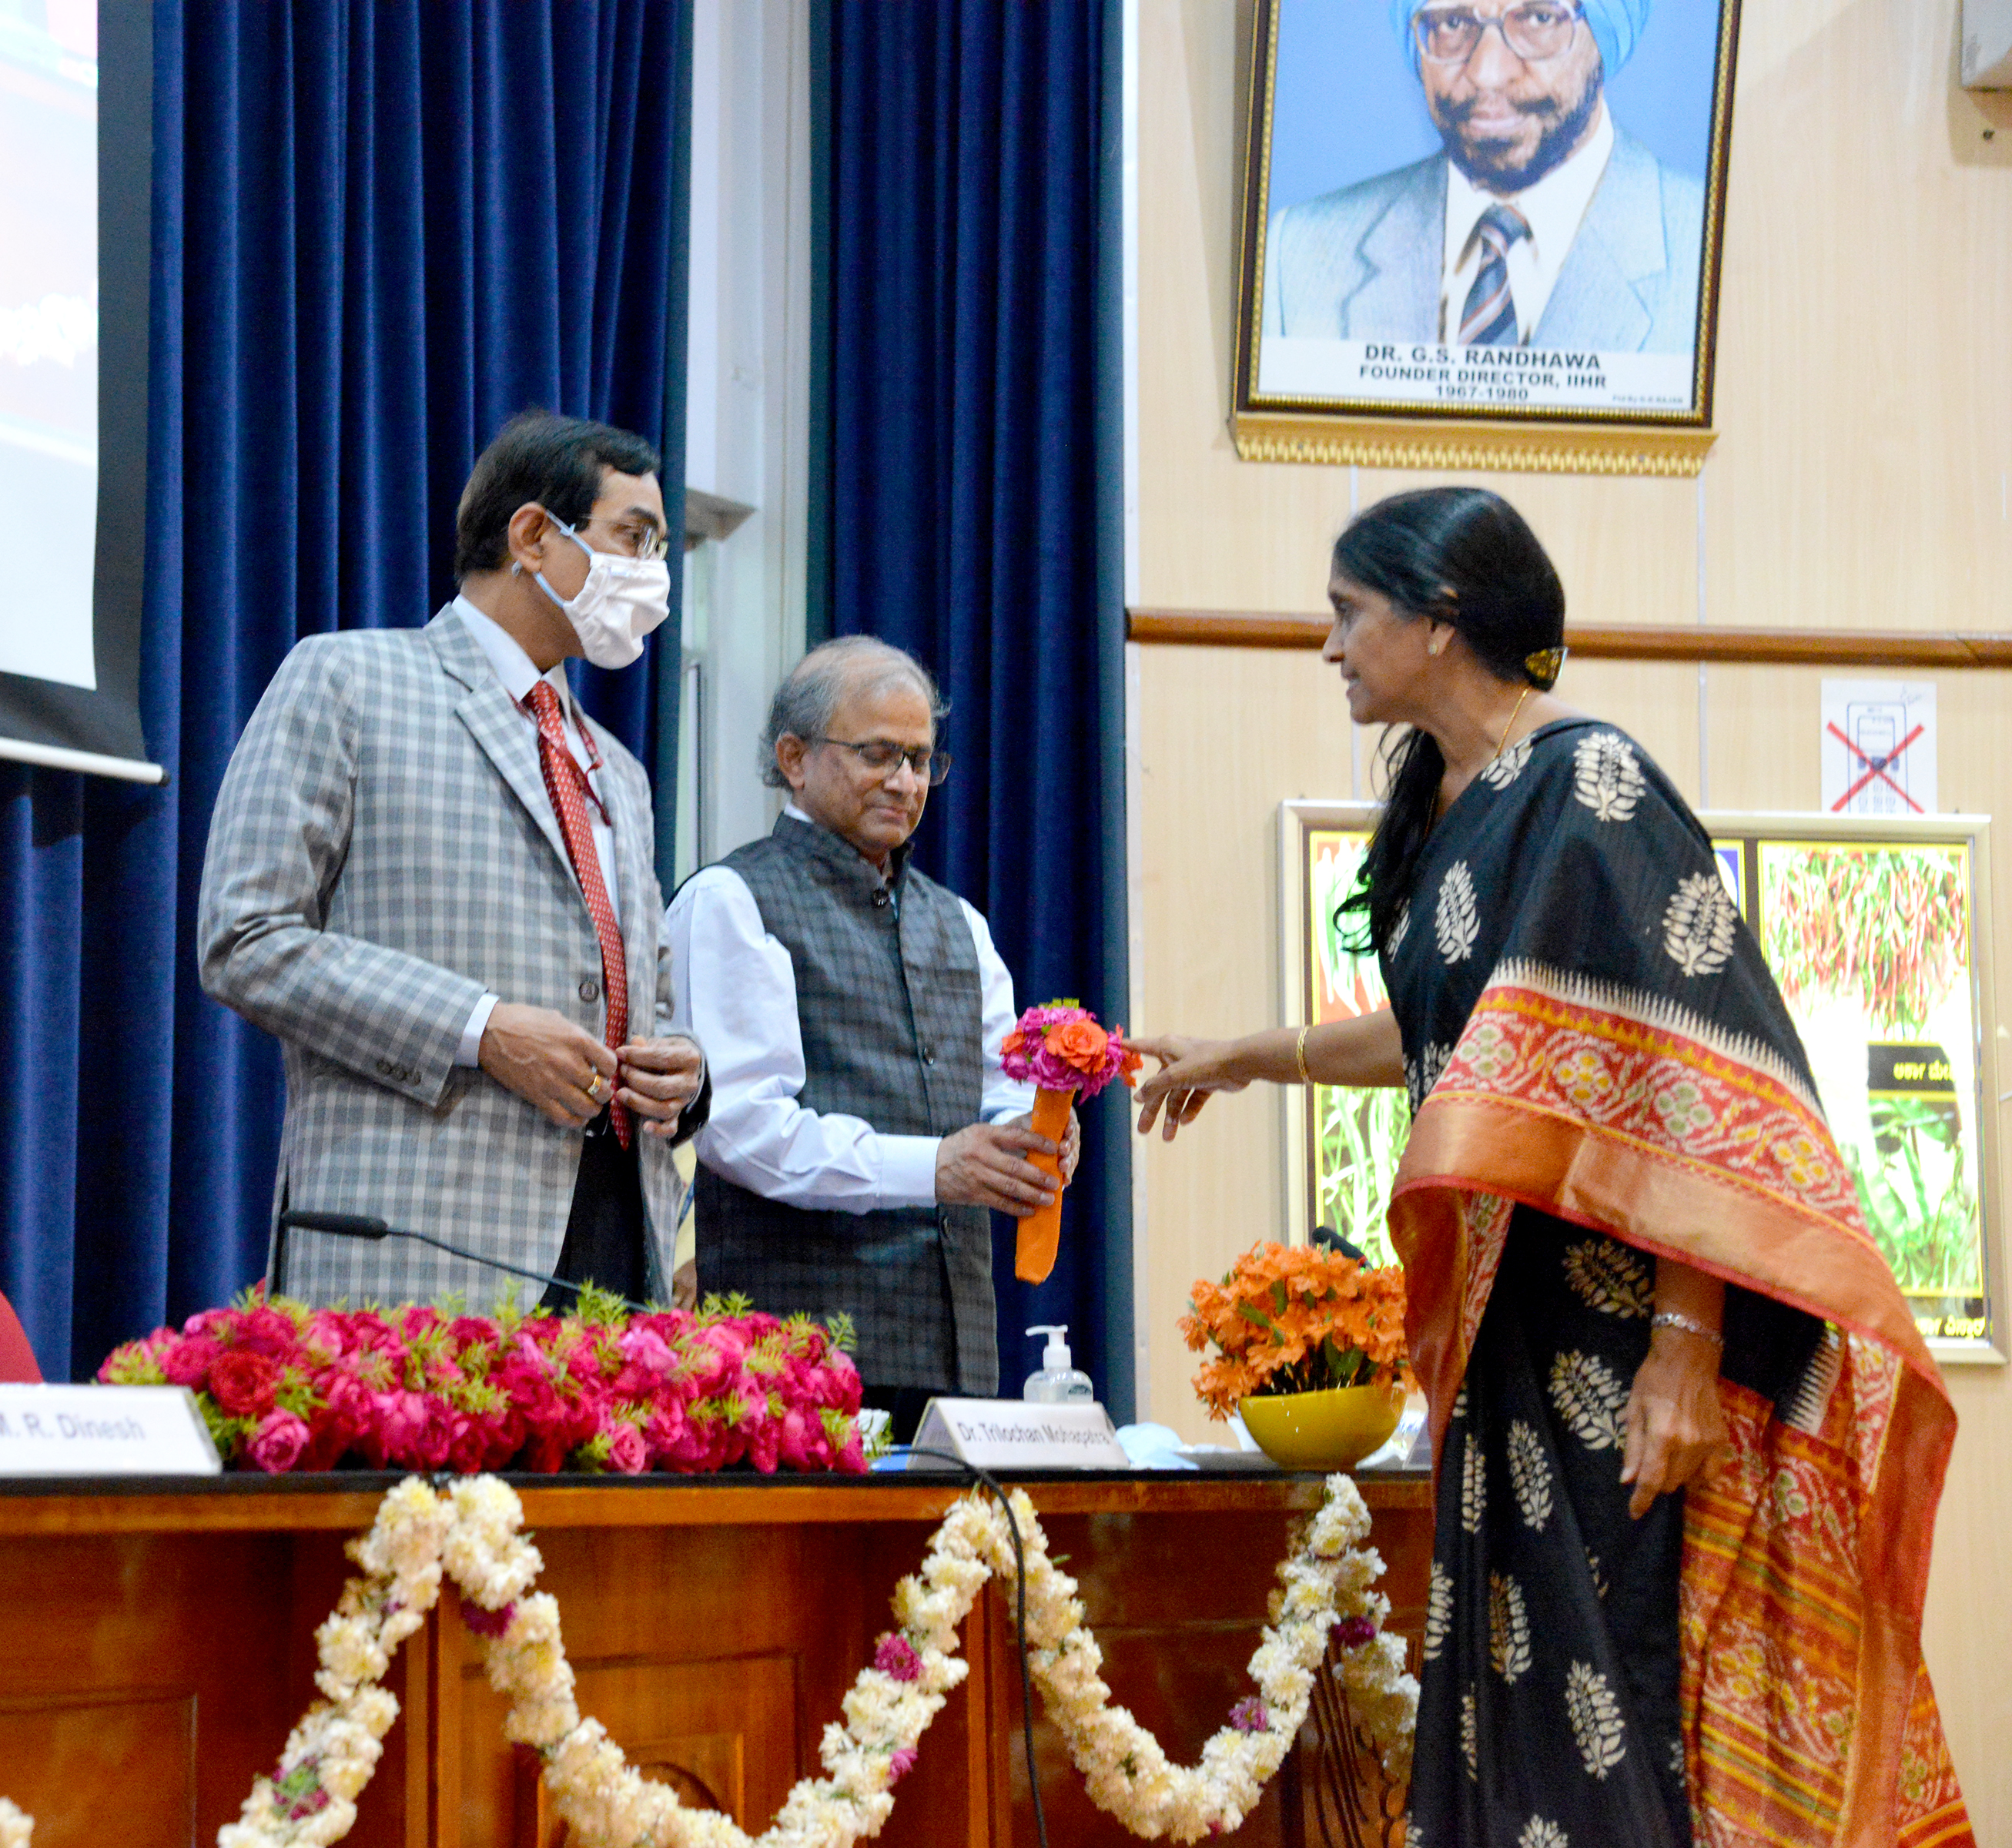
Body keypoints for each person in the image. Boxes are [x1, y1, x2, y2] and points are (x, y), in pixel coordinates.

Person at [1124, 488, 1969, 1844]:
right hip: (1512, 1328)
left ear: (1439, 620)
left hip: (1622, 1336)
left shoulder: (1593, 785)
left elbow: (1698, 1073)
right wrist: (1247, 1056)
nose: (1328, 646)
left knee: (1621, 1694)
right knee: (1513, 1716)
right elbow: (1454, 1038)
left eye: (1347, 613)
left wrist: (1685, 1350)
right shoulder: (1451, 801)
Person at [197, 410, 707, 1310]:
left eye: (661, 549)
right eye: (634, 538)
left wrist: (681, 1071)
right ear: (533, 536)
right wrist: (481, 1028)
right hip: (424, 1243)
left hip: (617, 1242)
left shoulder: (618, 770)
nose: (653, 574)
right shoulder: (349, 681)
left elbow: (649, 994)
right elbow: (245, 938)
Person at [668, 638, 1074, 1439]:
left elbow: (1003, 1094)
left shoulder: (960, 923)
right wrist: (937, 1166)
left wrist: (1038, 1138)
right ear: (794, 759)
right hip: (788, 1359)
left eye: (921, 760)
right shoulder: (731, 899)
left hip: (958, 1354)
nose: (906, 782)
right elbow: (742, 1132)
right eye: (879, 754)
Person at [1260, 0, 1703, 353]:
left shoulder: (1709, 252)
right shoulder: (1297, 255)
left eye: (1539, 18)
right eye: (1452, 23)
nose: (1487, 73)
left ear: (1604, 37)